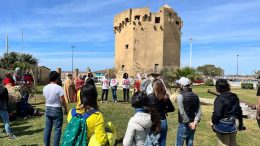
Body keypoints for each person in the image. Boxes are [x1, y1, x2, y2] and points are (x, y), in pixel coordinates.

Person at [212, 79, 244, 146]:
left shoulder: (219, 99)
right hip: (235, 122)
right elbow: (239, 110)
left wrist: (213, 124)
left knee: (223, 143)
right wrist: (241, 123)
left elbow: (217, 114)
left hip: (224, 124)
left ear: (218, 88)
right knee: (233, 143)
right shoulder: (234, 96)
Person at [43, 71, 68, 146]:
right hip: (56, 108)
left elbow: (46, 97)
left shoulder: (45, 87)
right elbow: (62, 100)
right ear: (57, 78)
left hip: (48, 107)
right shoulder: (59, 88)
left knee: (47, 129)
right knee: (57, 129)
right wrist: (66, 109)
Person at [175, 77, 202, 146]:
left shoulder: (180, 96)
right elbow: (199, 110)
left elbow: (182, 112)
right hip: (193, 123)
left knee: (179, 143)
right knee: (190, 142)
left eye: (179, 84)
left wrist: (188, 122)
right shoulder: (196, 95)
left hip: (184, 124)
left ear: (182, 85)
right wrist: (194, 122)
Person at [147, 79, 175, 146]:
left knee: (152, 142)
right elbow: (172, 108)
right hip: (162, 121)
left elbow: (146, 109)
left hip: (154, 121)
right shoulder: (165, 96)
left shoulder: (149, 97)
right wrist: (165, 110)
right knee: (162, 141)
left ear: (153, 86)